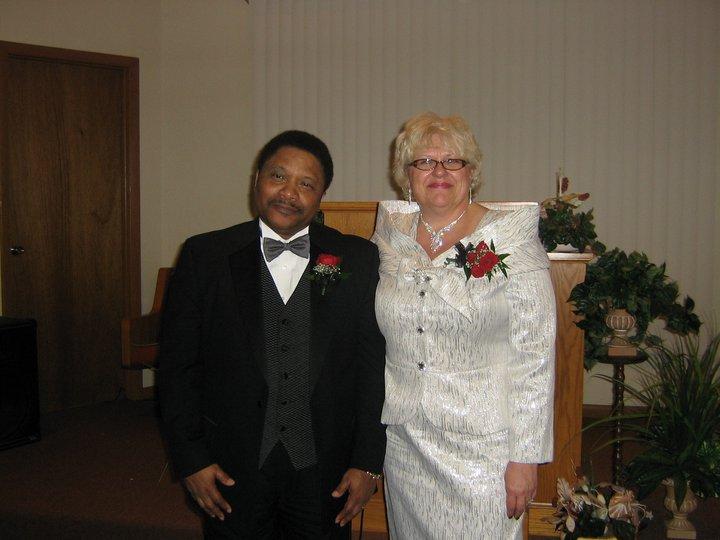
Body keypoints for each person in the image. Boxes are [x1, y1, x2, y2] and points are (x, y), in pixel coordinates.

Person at [159, 130, 386, 539]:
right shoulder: (204, 256)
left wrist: (367, 462)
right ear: (257, 179)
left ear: (321, 196)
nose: (289, 193)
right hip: (229, 467)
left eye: (306, 184)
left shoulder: (357, 258)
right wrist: (191, 459)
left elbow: (372, 370)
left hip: (325, 470)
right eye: (278, 176)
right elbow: (177, 368)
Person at [372, 112, 556, 539]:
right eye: (424, 162)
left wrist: (525, 456)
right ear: (406, 175)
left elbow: (535, 354)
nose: (439, 171)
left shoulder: (510, 240)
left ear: (471, 172)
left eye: (453, 161)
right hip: (407, 440)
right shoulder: (389, 236)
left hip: (485, 447)